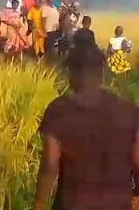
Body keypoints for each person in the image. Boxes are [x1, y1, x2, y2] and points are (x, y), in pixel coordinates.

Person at [34, 44, 139, 210]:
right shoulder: (128, 109)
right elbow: (137, 160)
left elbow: (49, 165)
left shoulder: (59, 110)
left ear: (71, 73)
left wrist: (39, 204)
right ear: (102, 72)